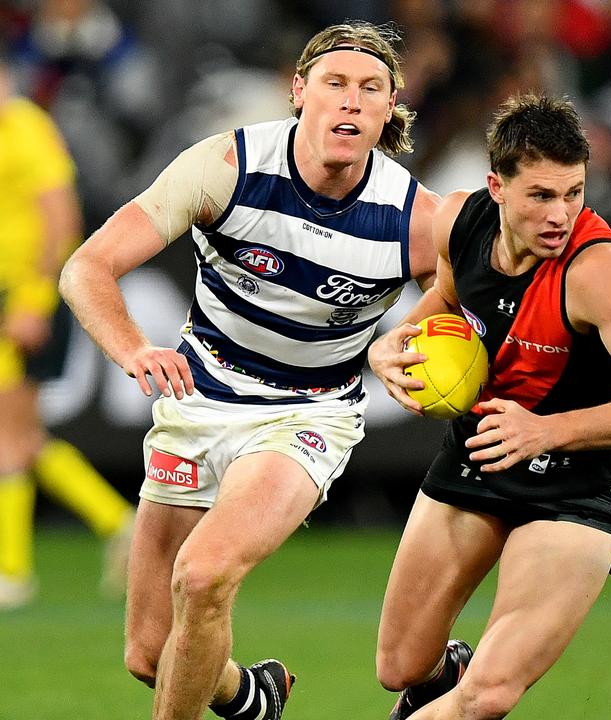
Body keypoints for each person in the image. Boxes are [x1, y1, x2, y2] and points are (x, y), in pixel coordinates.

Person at [58, 22, 439, 720]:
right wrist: (134, 349)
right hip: (198, 398)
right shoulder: (226, 167)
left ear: (389, 112)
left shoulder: (415, 219)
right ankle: (251, 699)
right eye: (335, 84)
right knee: (151, 654)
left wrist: (403, 336)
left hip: (307, 414)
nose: (350, 103)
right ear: (299, 92)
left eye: (370, 90)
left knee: (202, 576)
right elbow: (88, 266)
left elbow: (481, 306)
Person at [367, 92, 611, 720]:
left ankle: (470, 690)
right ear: (495, 186)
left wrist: (546, 431)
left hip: (582, 487)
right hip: (483, 452)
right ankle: (453, 676)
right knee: (401, 667)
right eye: (541, 196)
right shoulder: (458, 222)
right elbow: (446, 299)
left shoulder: (598, 268)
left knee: (488, 696)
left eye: (573, 193)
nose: (561, 214)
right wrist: (392, 344)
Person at [0, 49, 134, 610]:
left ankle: (12, 572)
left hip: (24, 299)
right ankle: (120, 522)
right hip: (11, 297)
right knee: (22, 436)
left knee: (9, 436)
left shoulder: (25, 128)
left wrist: (33, 298)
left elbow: (62, 219)